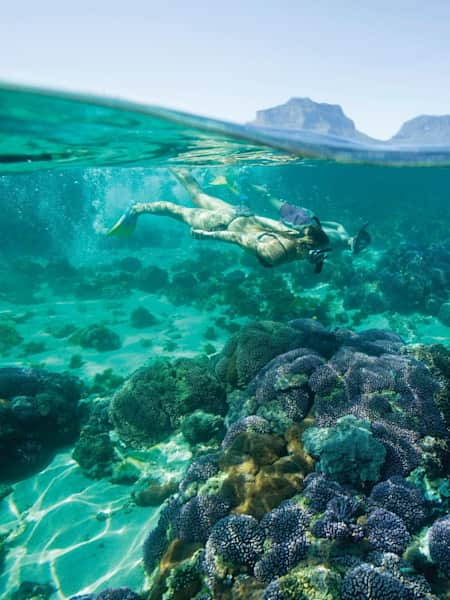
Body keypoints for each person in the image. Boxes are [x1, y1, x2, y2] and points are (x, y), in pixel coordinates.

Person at [107, 169, 331, 272]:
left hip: (236, 213)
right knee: (176, 210)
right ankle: (137, 209)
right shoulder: (276, 254)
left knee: (197, 195)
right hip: (221, 223)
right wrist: (208, 235)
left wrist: (249, 214)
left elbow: (271, 223)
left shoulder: (294, 235)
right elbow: (237, 239)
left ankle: (175, 162)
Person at [210, 176, 371, 255]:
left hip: (302, 223)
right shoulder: (340, 240)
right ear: (357, 238)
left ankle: (242, 187)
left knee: (266, 205)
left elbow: (333, 227)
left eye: (361, 246)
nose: (360, 246)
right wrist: (316, 221)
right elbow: (334, 226)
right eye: (361, 243)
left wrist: (316, 221)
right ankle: (244, 184)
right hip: (301, 222)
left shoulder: (340, 241)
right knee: (268, 199)